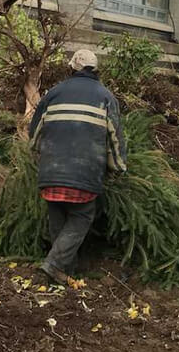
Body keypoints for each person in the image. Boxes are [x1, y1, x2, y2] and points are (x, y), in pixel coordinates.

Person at [29, 49, 126, 285]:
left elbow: (34, 136)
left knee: (57, 218)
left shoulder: (53, 94)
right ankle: (52, 266)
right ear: (96, 71)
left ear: (71, 68)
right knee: (81, 217)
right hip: (85, 175)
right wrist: (119, 167)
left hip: (50, 173)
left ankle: (64, 271)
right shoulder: (106, 97)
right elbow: (114, 139)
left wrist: (42, 157)